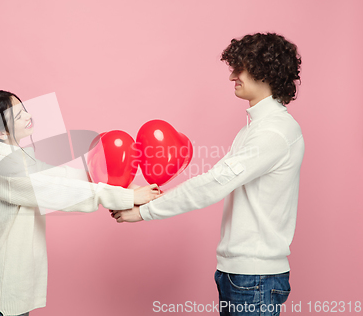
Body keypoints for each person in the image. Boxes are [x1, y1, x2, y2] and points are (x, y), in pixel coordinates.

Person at [112, 33, 304, 316]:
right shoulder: (255, 128)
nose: (232, 76)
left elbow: (214, 183)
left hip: (255, 278)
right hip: (239, 273)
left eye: (241, 67)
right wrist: (146, 200)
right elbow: (218, 179)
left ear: (266, 71)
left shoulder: (273, 132)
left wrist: (145, 211)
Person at [0, 90, 160, 316]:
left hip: (10, 293)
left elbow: (61, 176)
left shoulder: (16, 158)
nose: (27, 116)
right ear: (0, 132)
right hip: (0, 296)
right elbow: (55, 190)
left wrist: (122, 184)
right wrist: (128, 198)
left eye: (24, 109)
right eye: (17, 116)